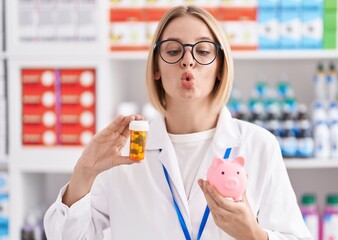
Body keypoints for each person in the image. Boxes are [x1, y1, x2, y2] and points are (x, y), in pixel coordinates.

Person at [44, 5, 312, 240]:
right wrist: (84, 174)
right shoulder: (126, 151)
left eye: (203, 50)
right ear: (156, 68)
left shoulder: (258, 145)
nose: (187, 60)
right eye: (173, 50)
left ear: (220, 67)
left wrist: (253, 235)